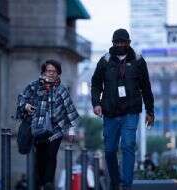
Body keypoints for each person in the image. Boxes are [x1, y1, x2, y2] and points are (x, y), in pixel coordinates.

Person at [91, 28, 155, 190]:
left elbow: (146, 87)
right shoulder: (105, 61)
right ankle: (115, 181)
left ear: (128, 43)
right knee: (110, 150)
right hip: (110, 113)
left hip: (131, 112)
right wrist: (96, 103)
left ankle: (126, 185)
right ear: (113, 43)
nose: (120, 45)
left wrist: (150, 111)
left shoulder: (138, 61)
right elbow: (96, 84)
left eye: (123, 42)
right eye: (117, 42)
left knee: (128, 145)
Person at [16, 59, 79, 190]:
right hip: (38, 128)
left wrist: (72, 131)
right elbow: (21, 97)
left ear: (58, 73)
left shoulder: (62, 91)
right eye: (48, 70)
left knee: (51, 154)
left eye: (54, 71)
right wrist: (26, 105)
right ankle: (40, 183)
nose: (50, 73)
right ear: (44, 72)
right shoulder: (33, 86)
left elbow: (71, 111)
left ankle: (48, 183)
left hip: (56, 130)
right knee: (40, 156)